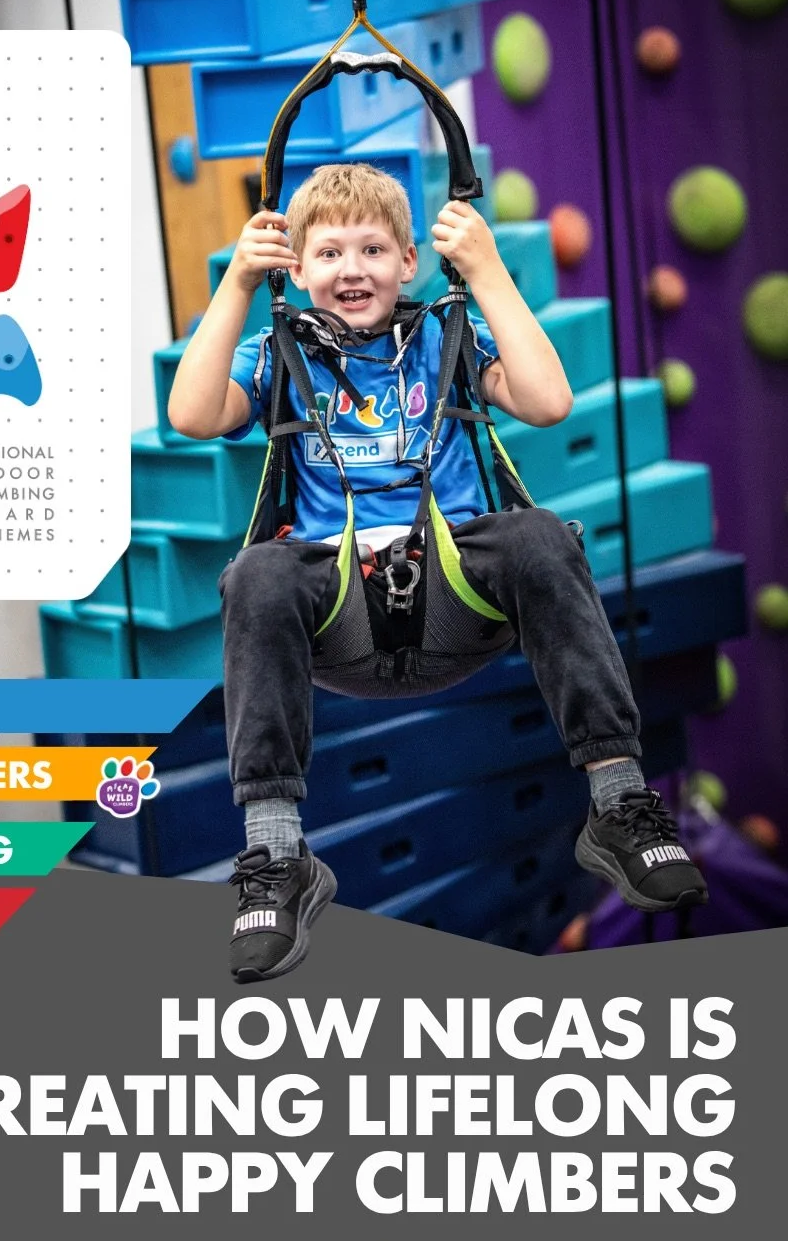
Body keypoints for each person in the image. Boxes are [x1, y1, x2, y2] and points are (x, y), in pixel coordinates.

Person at [168, 163, 706, 984]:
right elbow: (192, 415)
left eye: (375, 249)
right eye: (330, 253)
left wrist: (486, 272)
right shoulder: (278, 351)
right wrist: (239, 282)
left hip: (454, 601)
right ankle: (277, 856)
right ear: (298, 270)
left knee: (540, 536)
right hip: (341, 613)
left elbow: (549, 402)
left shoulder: (445, 338)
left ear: (411, 261)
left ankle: (617, 802)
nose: (353, 269)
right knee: (256, 574)